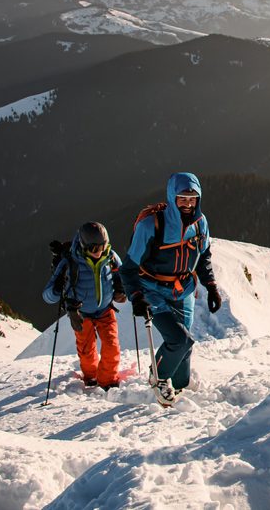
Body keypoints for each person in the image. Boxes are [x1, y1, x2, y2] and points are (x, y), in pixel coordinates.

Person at [120, 172, 222, 406]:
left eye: (192, 198)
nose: (188, 204)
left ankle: (179, 385)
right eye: (182, 198)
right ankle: (159, 378)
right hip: (152, 289)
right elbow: (128, 268)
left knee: (184, 344)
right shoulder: (151, 225)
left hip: (183, 289)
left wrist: (212, 286)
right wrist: (136, 297)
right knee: (179, 340)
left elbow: (203, 254)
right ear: (171, 197)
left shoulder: (200, 223)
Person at [42, 221, 126, 391]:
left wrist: (122, 290)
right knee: (86, 350)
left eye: (103, 246)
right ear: (83, 245)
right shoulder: (70, 262)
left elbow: (124, 276)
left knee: (111, 346)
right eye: (94, 249)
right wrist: (58, 286)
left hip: (105, 309)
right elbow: (48, 296)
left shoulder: (110, 256)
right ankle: (91, 376)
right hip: (79, 313)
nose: (99, 252)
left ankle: (108, 382)